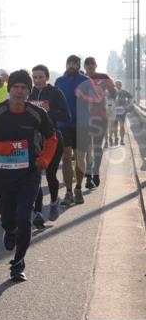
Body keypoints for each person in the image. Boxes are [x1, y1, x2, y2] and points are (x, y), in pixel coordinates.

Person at [0, 70, 58, 282]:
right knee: (9, 218)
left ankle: (18, 263)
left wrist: (44, 160)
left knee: (24, 217)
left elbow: (52, 138)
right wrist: (1, 147)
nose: (19, 92)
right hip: (2, 176)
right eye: (16, 87)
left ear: (29, 92)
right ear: (9, 89)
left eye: (24, 88)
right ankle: (9, 230)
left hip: (29, 173)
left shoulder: (36, 113)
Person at [28, 64, 70, 225]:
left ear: (46, 77)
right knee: (35, 176)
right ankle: (38, 213)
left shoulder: (55, 93)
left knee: (51, 175)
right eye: (35, 77)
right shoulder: (29, 93)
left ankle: (53, 202)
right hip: (32, 140)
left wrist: (49, 110)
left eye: (40, 77)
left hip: (52, 138)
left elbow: (67, 116)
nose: (37, 80)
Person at [54, 55, 88, 206]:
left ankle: (78, 189)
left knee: (80, 157)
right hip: (63, 125)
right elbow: (54, 102)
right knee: (66, 158)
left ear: (79, 66)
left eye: (75, 63)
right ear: (66, 64)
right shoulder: (59, 81)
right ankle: (68, 192)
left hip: (82, 125)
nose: (72, 65)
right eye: (70, 63)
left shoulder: (86, 81)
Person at [77, 56, 115, 190]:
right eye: (88, 68)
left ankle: (96, 173)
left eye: (92, 67)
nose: (90, 70)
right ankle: (88, 177)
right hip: (84, 119)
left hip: (100, 117)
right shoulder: (81, 78)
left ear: (96, 66)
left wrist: (109, 99)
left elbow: (114, 92)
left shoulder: (104, 77)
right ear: (85, 68)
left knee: (97, 147)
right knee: (87, 148)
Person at [114, 79, 132, 145]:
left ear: (121, 85)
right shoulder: (112, 92)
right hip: (114, 112)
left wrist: (127, 106)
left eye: (119, 85)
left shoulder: (124, 92)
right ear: (114, 85)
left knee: (122, 126)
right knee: (114, 126)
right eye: (116, 85)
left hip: (122, 111)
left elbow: (131, 99)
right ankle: (116, 138)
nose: (118, 86)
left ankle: (121, 139)